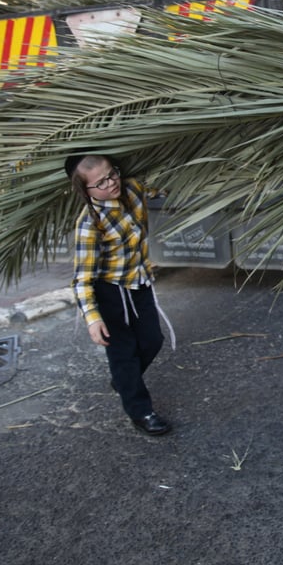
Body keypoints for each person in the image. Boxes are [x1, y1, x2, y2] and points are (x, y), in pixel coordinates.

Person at [66, 154, 174, 437]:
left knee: (153, 340)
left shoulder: (131, 188)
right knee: (123, 353)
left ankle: (124, 380)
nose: (111, 183)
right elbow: (82, 278)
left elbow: (159, 188)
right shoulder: (90, 223)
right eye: (100, 183)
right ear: (85, 190)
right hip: (110, 293)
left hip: (139, 281)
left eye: (112, 174)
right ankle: (141, 412)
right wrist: (92, 319)